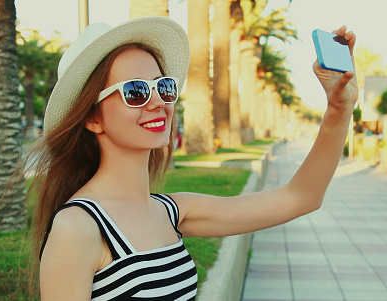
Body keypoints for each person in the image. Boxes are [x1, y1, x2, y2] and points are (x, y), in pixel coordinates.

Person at [21, 16, 358, 300]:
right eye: (135, 91)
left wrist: (339, 109)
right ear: (92, 118)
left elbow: (300, 198)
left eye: (163, 87)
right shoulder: (78, 227)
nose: (158, 103)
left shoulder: (170, 212)